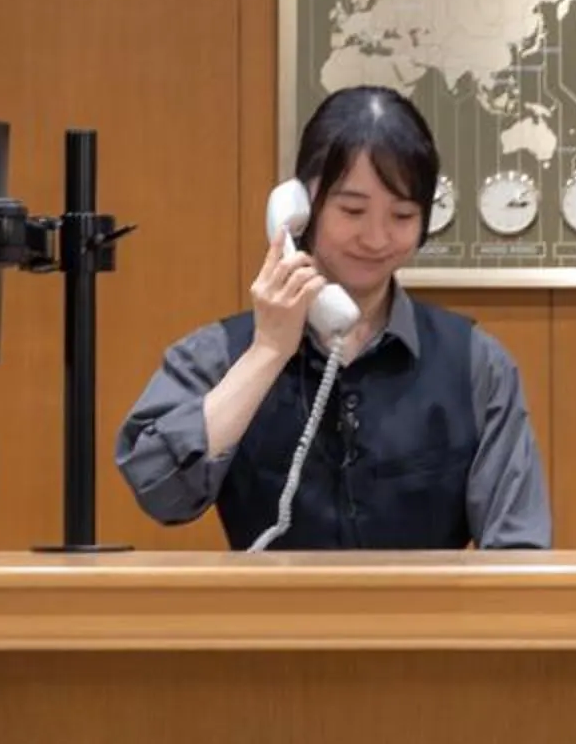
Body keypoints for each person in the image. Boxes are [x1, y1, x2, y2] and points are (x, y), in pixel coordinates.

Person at [116, 88, 552, 550]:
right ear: (301, 207)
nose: (376, 238)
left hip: (427, 602)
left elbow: (518, 547)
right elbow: (160, 491)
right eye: (352, 210)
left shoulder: (476, 363)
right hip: (273, 600)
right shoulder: (219, 353)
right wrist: (267, 352)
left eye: (402, 214)